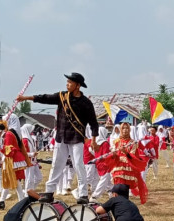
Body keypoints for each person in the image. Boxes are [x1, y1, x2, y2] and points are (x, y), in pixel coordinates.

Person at [16, 72, 99, 204]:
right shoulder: (62, 96)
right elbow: (45, 98)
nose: (67, 84)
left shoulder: (86, 103)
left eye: (70, 82)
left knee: (78, 165)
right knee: (56, 165)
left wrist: (94, 140)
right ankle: (49, 192)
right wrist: (26, 98)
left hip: (77, 138)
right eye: (67, 82)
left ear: (77, 85)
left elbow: (94, 123)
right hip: (61, 137)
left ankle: (83, 194)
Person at [104, 121, 148, 203]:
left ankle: (124, 203)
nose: (125, 130)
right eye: (123, 128)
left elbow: (133, 156)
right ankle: (116, 202)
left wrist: (125, 152)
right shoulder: (116, 142)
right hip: (117, 167)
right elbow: (114, 155)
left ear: (130, 130)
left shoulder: (133, 143)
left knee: (124, 188)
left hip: (128, 167)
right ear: (120, 130)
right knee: (117, 187)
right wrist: (113, 154)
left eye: (127, 128)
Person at [0, 114, 29, 210]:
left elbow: (8, 151)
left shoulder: (9, 134)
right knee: (11, 181)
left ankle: (21, 202)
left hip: (12, 160)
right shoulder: (15, 132)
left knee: (14, 181)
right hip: (15, 159)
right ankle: (2, 201)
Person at [90, 126, 112, 202]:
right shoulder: (105, 143)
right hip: (105, 164)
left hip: (98, 163)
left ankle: (112, 194)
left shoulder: (95, 143)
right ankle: (95, 196)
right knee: (104, 180)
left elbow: (92, 151)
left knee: (107, 180)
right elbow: (106, 155)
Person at [21, 124, 43, 192]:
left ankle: (30, 190)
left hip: (34, 162)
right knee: (29, 179)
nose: (32, 131)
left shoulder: (31, 139)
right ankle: (27, 193)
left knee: (39, 178)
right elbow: (23, 153)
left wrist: (36, 161)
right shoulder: (24, 140)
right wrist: (32, 154)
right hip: (28, 162)